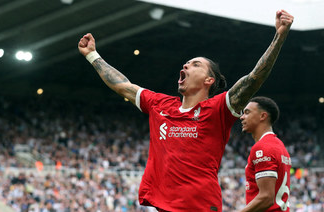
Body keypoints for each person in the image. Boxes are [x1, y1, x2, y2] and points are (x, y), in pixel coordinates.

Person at [78, 9, 293, 212]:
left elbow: (254, 78)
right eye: (187, 63)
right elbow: (123, 86)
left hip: (199, 206)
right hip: (162, 206)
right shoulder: (159, 105)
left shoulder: (218, 109)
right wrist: (92, 55)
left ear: (209, 80)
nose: (187, 65)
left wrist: (279, 37)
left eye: (196, 64)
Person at [240, 97, 291, 212]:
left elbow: (266, 198)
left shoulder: (263, 148)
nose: (242, 117)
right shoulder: (279, 146)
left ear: (263, 116)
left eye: (247, 112)